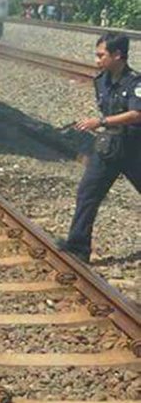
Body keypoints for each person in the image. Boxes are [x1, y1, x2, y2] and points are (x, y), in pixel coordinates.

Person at [58, 33, 141, 261]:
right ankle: (77, 247)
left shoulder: (136, 83)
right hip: (109, 147)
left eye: (101, 55)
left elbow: (137, 114)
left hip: (134, 148)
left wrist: (101, 122)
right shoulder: (101, 80)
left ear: (118, 55)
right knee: (88, 193)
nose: (97, 60)